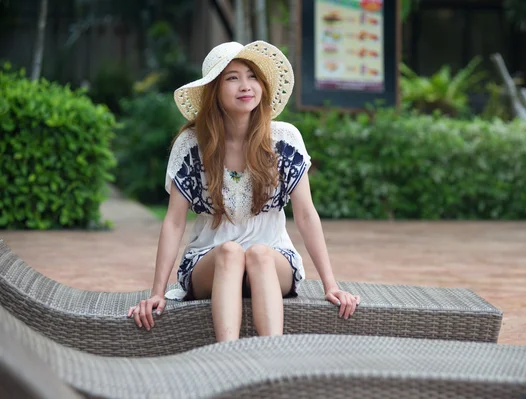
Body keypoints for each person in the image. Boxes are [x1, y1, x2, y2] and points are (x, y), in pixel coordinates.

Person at [127, 40, 360, 341]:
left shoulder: (285, 139)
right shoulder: (191, 145)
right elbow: (174, 222)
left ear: (262, 86)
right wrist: (156, 292)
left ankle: (271, 356)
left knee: (259, 254)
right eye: (232, 77)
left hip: (273, 260)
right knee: (231, 252)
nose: (245, 85)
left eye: (251, 76)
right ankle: (230, 358)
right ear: (214, 90)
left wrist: (331, 285)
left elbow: (305, 214)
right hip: (209, 260)